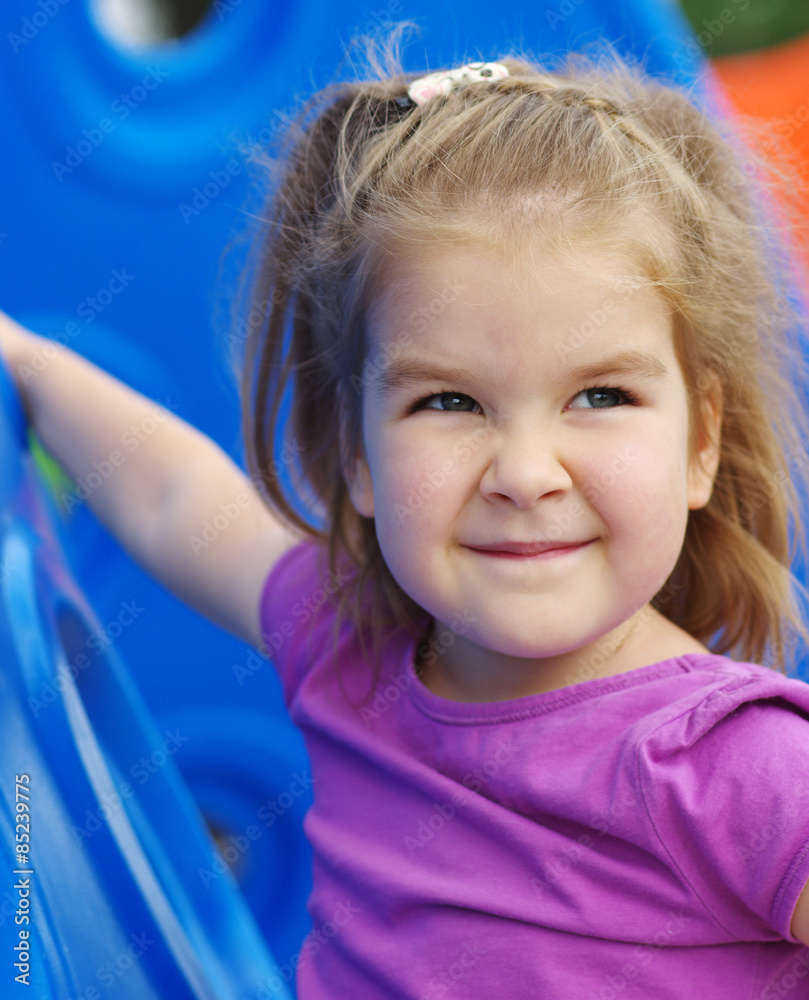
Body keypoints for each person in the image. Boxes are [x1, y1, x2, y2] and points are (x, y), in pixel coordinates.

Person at [4, 28, 809, 998]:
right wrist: (21, 358)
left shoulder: (744, 768)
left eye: (598, 396)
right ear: (357, 459)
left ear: (698, 441)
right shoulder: (349, 641)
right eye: (448, 402)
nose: (524, 471)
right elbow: (173, 493)